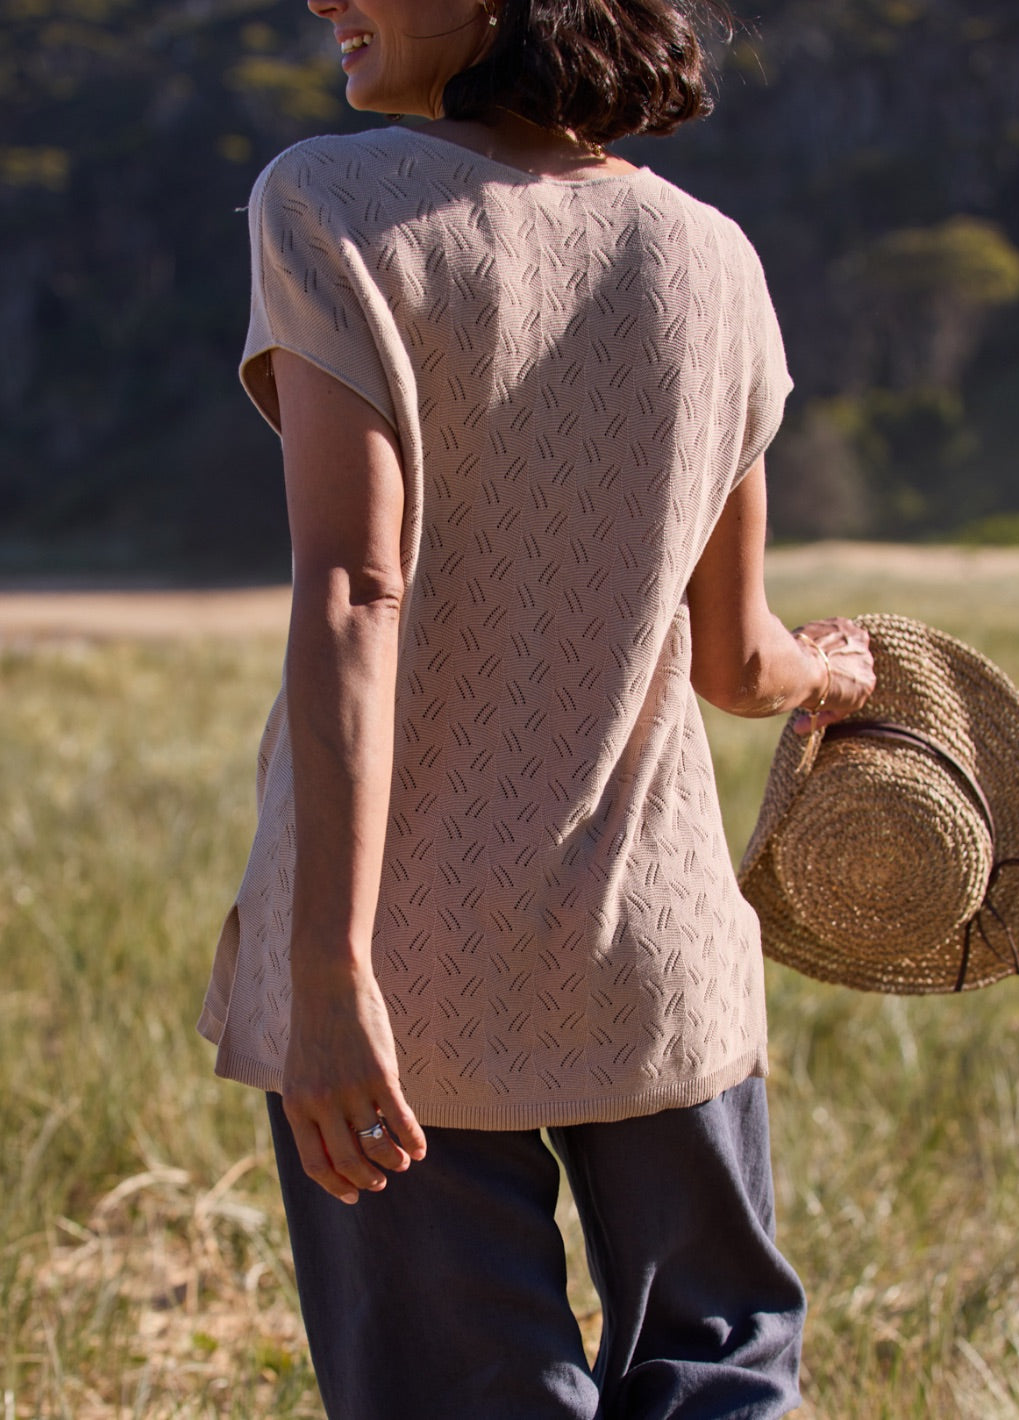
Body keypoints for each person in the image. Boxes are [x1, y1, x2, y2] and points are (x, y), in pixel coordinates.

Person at [198, 2, 877, 1416]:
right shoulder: (714, 258)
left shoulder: (329, 203)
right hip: (652, 952)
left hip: (399, 972)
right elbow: (736, 663)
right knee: (724, 1378)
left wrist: (326, 972)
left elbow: (353, 594)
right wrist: (834, 674)